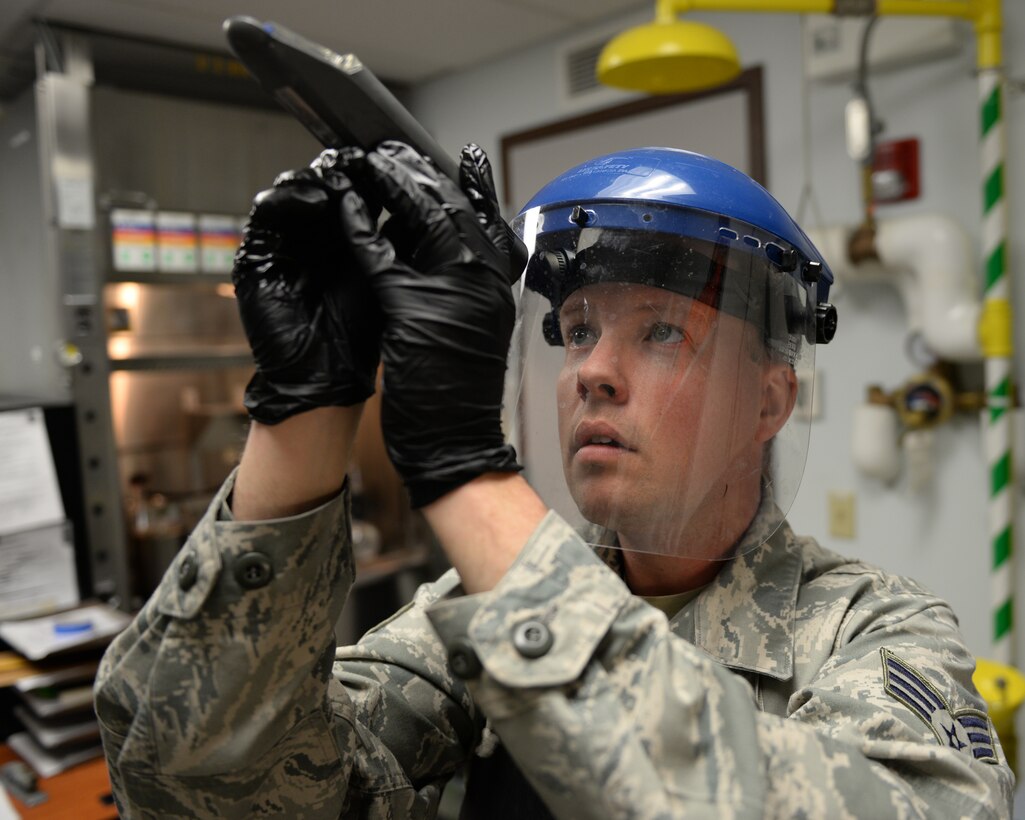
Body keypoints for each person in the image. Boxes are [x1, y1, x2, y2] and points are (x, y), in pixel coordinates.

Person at [94, 141, 1014, 819]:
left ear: (770, 402)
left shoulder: (873, 631)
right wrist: (306, 408)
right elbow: (193, 787)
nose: (590, 372)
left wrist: (464, 468)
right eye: (576, 330)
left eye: (660, 332)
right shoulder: (468, 614)